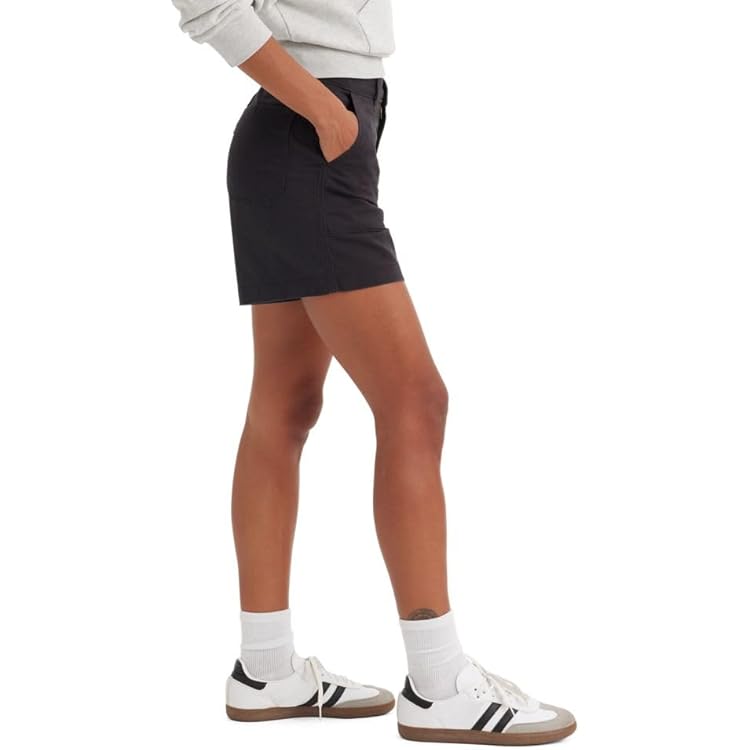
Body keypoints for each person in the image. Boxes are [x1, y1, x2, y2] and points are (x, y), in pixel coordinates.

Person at [170, 1, 576, 744]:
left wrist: (331, 114)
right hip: (308, 128)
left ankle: (266, 670)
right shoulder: (316, 111)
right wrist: (324, 110)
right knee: (414, 401)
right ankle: (439, 682)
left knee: (287, 404)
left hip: (311, 133)